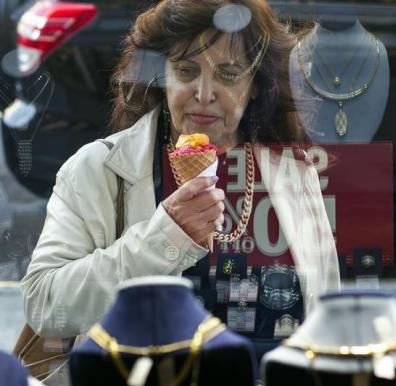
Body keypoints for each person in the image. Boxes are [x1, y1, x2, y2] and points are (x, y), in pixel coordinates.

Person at [20, 0, 340, 340]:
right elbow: (44, 304)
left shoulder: (294, 172)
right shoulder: (97, 169)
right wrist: (164, 237)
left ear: (256, 85)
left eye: (228, 75)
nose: (203, 94)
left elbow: (327, 311)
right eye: (186, 71)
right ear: (162, 76)